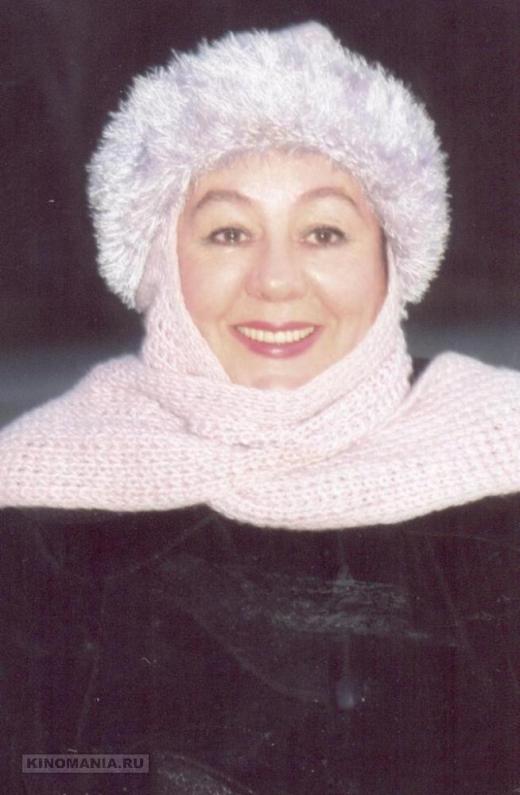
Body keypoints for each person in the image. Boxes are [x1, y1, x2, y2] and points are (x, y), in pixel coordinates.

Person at [0, 20, 519, 795]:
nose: (276, 280)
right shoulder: (35, 503)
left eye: (324, 231)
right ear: (160, 260)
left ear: (391, 259)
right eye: (229, 232)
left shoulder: (499, 456)